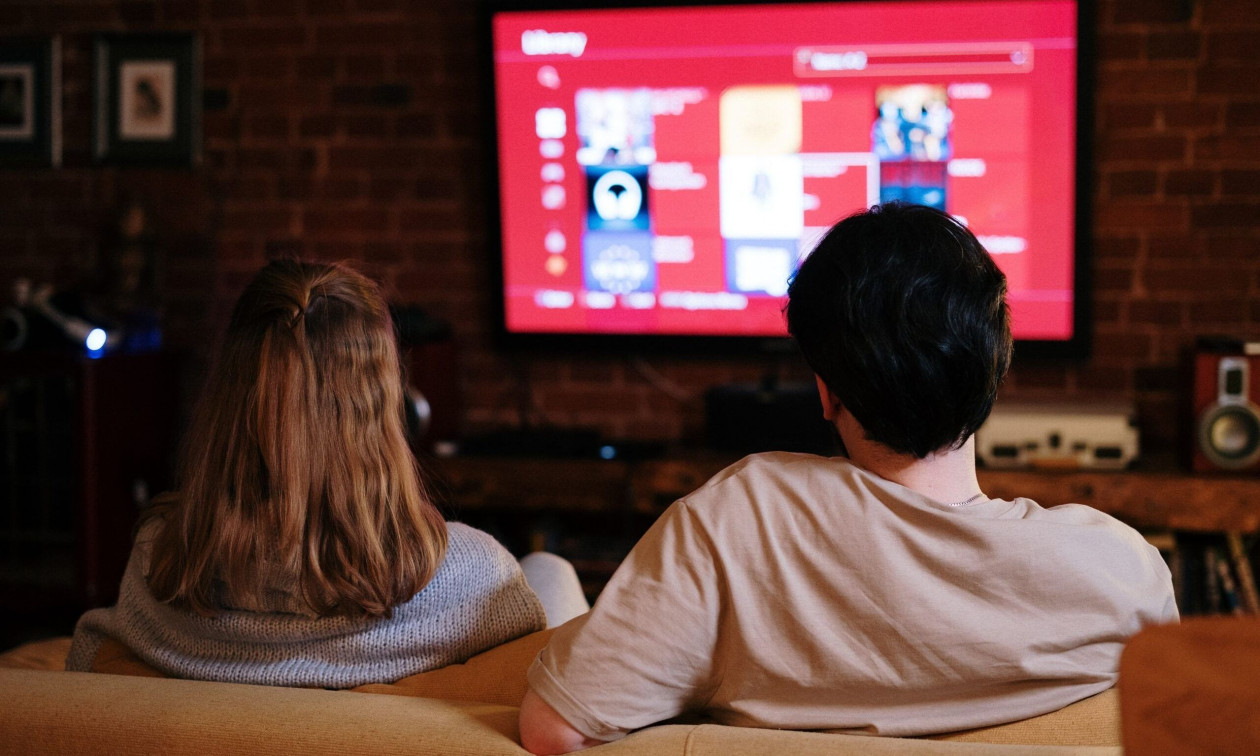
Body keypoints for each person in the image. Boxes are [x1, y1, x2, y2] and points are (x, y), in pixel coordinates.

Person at [518, 202, 1178, 754]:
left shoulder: (742, 521)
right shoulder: (1127, 574)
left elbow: (555, 730)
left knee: (545, 573)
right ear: (996, 370)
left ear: (827, 392)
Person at [67, 260, 584, 688]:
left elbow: (93, 655)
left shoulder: (158, 558)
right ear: (385, 406)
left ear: (227, 400)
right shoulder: (471, 575)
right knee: (550, 569)